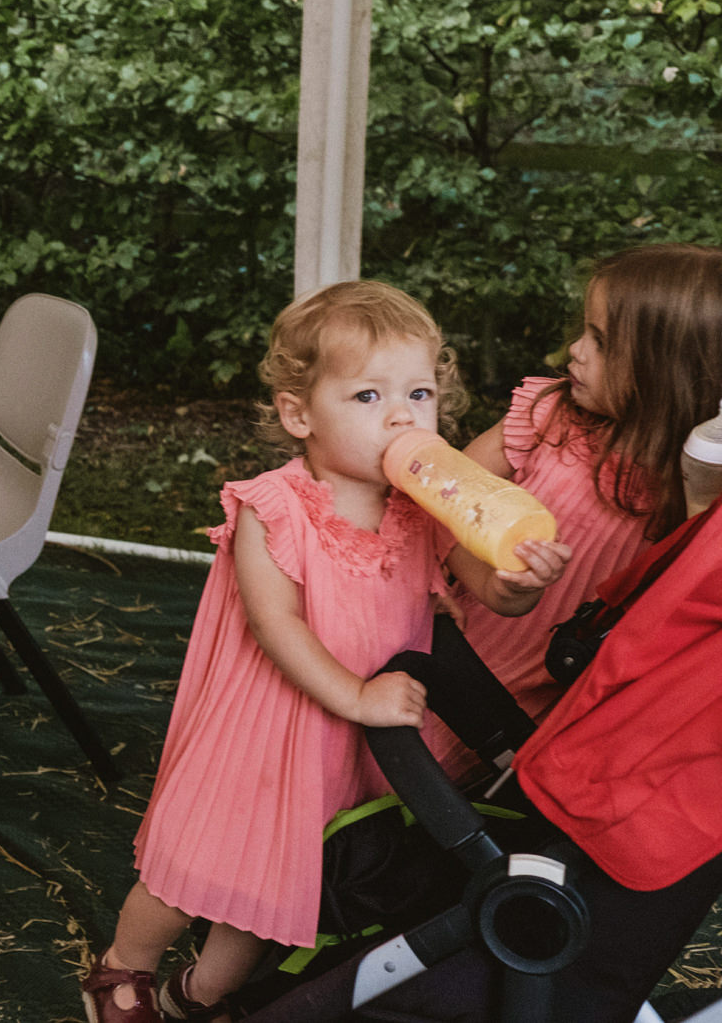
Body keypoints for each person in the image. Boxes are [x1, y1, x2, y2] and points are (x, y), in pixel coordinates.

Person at [81, 282, 574, 1023]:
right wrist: (356, 695)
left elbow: (486, 588)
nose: (403, 416)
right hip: (266, 735)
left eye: (418, 393)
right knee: (200, 865)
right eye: (369, 396)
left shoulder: (424, 508)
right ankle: (126, 966)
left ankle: (203, 992)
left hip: (350, 744)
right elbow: (275, 623)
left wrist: (519, 581)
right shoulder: (273, 506)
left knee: (285, 881)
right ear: (298, 415)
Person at [447, 243, 722, 732]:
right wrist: (483, 583)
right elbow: (439, 499)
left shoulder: (697, 492)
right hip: (451, 647)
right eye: (585, 332)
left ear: (666, 371)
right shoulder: (548, 416)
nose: (575, 349)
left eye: (602, 342)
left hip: (533, 713)